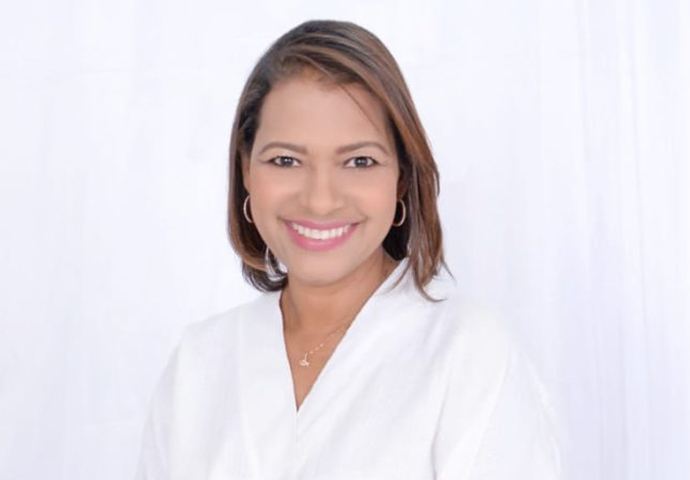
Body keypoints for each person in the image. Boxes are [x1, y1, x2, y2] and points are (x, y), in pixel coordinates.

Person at [134, 19, 562, 480]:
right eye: (286, 160)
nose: (320, 200)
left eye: (359, 161)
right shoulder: (198, 365)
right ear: (246, 170)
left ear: (401, 177)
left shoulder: (468, 355)